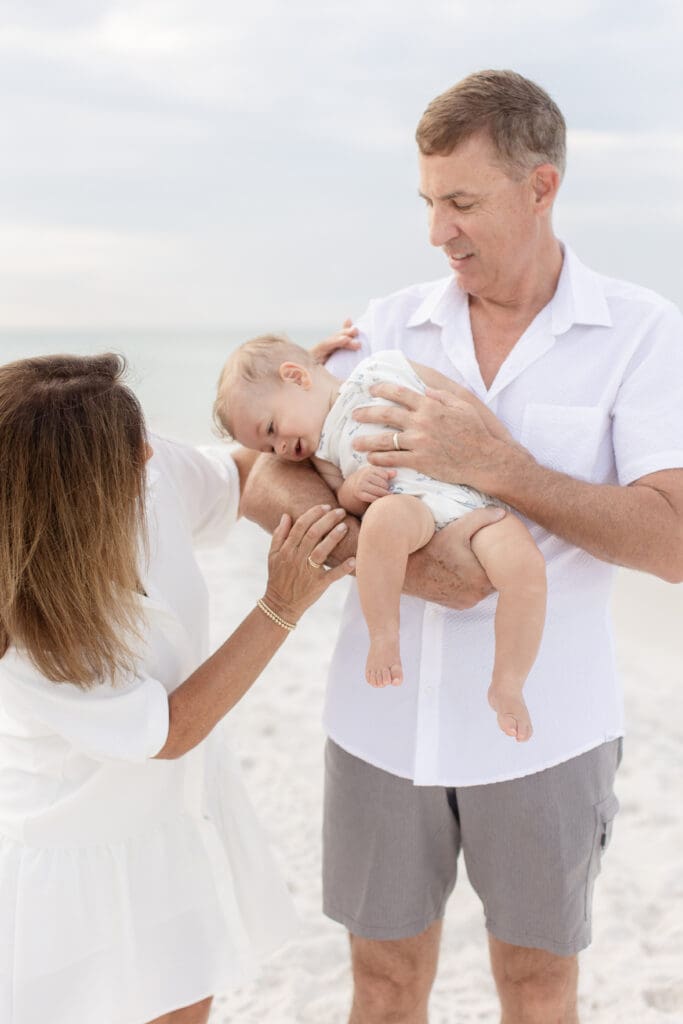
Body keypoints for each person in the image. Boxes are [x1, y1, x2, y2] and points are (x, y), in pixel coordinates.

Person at [238, 69, 683, 1024]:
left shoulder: (641, 334)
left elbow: (672, 542)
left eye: (463, 203)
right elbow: (267, 472)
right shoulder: (386, 325)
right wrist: (398, 560)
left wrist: (502, 467)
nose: (438, 231)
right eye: (428, 202)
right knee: (382, 984)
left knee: (536, 986)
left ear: (541, 187)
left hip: (545, 727)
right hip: (378, 720)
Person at [0, 352, 354, 1024]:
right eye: (129, 448)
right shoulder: (24, 627)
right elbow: (169, 730)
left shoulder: (147, 470)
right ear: (72, 486)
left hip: (168, 824)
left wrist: (323, 394)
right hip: (69, 855)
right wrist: (281, 604)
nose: (148, 453)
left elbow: (242, 470)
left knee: (185, 1005)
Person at [215, 336, 546, 740]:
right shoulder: (323, 452)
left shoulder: (384, 367)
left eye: (272, 428)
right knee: (381, 520)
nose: (280, 447)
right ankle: (384, 636)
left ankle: (508, 683)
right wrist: (355, 488)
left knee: (526, 570)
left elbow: (460, 400)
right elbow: (345, 501)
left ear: (297, 377)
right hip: (413, 509)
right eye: (268, 447)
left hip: (471, 501)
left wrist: (504, 449)